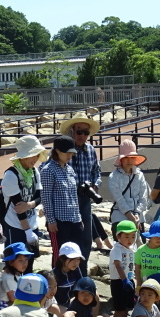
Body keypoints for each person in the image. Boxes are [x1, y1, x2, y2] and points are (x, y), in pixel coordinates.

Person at [60, 113, 101, 274]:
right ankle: (64, 275)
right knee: (68, 240)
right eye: (79, 132)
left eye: (86, 132)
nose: (82, 136)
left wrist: (95, 186)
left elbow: (97, 171)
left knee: (86, 240)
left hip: (85, 200)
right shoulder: (63, 150)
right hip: (68, 201)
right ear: (72, 131)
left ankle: (81, 274)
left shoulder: (91, 150)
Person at [1, 135, 46, 267]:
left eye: (37, 155)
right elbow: (19, 207)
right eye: (33, 155)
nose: (36, 159)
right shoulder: (11, 175)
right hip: (15, 226)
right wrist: (27, 231)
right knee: (14, 266)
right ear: (23, 156)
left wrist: (30, 205)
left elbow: (39, 196)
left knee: (29, 265)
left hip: (32, 224)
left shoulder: (34, 172)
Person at [41, 136, 84, 266]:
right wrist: (51, 220)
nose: (70, 155)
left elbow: (74, 195)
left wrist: (79, 217)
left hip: (74, 219)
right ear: (58, 151)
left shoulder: (70, 170)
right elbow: (46, 197)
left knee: (76, 254)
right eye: (67, 152)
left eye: (72, 153)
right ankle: (57, 283)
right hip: (59, 221)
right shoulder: (48, 170)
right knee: (60, 255)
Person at [109, 139, 149, 236]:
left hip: (138, 217)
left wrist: (137, 214)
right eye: (126, 158)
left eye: (132, 157)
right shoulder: (113, 177)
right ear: (120, 159)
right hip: (120, 217)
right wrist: (131, 217)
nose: (129, 161)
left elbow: (143, 197)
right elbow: (119, 200)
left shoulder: (140, 175)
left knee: (140, 249)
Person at [109, 220, 138, 317]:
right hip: (119, 282)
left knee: (126, 309)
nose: (130, 239)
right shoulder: (116, 249)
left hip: (129, 280)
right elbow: (118, 265)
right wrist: (124, 280)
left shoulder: (132, 249)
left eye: (133, 236)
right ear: (118, 236)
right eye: (126, 236)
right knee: (119, 309)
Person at [135, 221, 160, 287]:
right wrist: (138, 282)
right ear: (151, 236)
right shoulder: (140, 250)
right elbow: (137, 267)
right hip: (144, 283)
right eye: (156, 236)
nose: (159, 239)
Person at [0, 242, 33, 308]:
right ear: (10, 262)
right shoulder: (8, 277)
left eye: (26, 259)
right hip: (5, 306)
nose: (24, 263)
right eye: (20, 260)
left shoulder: (17, 274)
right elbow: (13, 298)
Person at [52, 241, 84, 309]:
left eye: (78, 259)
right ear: (62, 259)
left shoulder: (76, 269)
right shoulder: (54, 274)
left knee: (95, 295)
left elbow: (81, 285)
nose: (76, 263)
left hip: (71, 302)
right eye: (72, 259)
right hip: (58, 306)